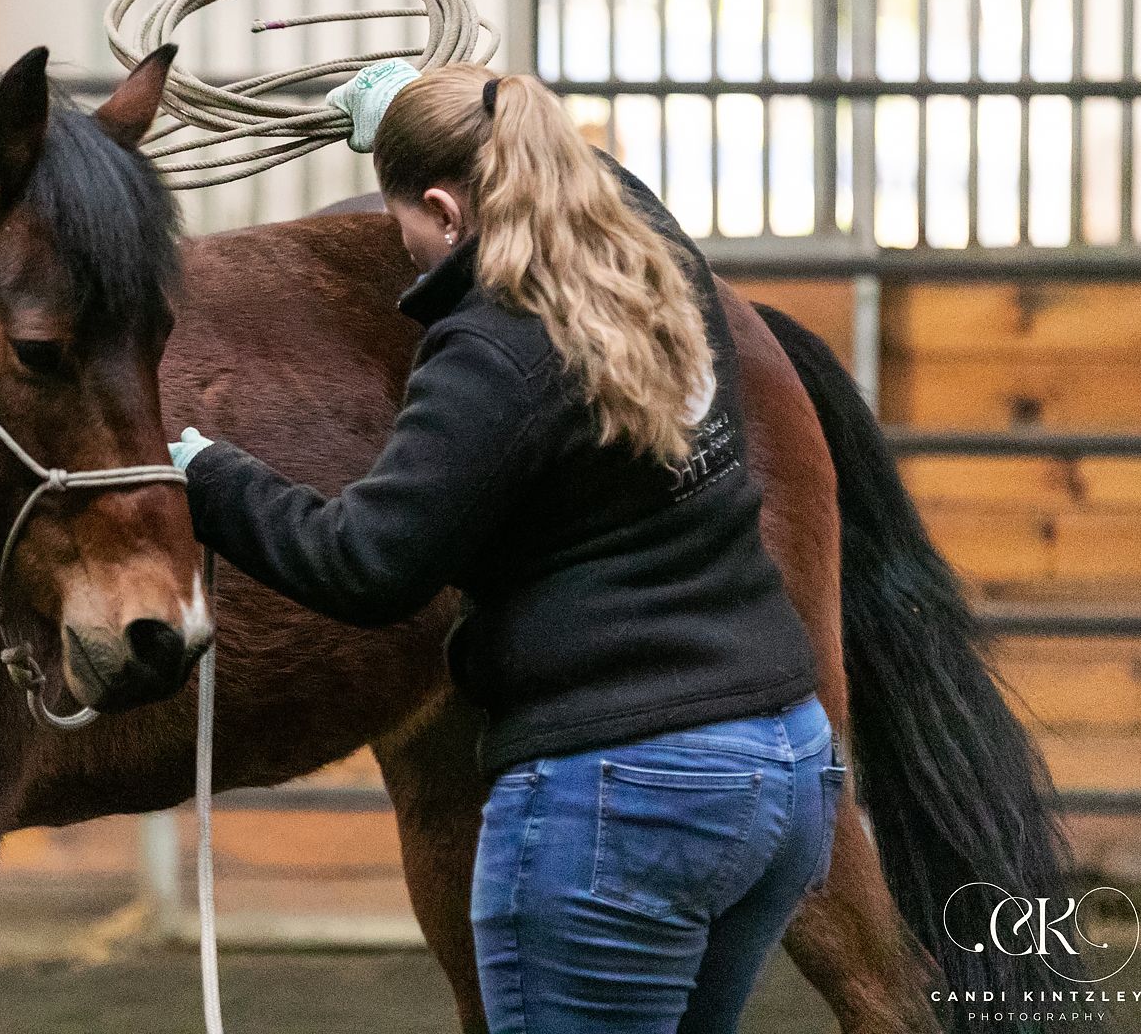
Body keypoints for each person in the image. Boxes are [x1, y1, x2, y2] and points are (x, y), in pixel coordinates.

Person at [168, 61, 847, 1033]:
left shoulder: (492, 345)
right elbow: (602, 183)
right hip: (780, 766)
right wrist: (418, 115)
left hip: (628, 788)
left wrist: (214, 479)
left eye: (408, 218)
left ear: (445, 211)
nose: (401, 243)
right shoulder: (652, 272)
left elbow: (370, 565)